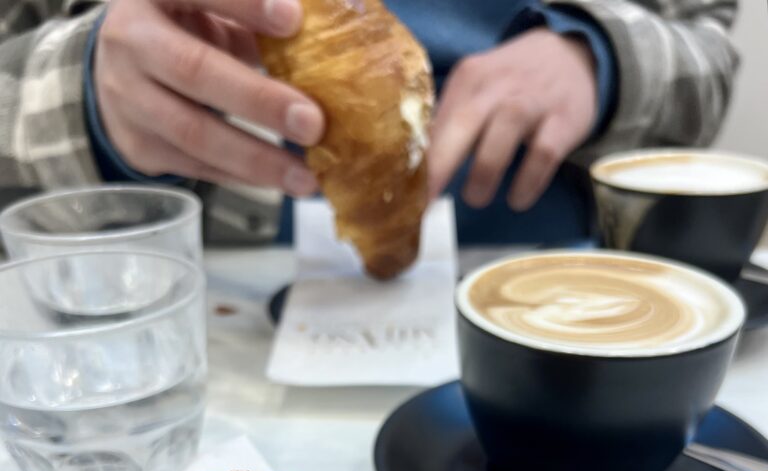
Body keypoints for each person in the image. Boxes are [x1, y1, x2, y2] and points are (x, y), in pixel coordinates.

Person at [0, 0, 740, 246]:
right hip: (190, 312)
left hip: (560, 282)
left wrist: (599, 56)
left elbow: (708, 43)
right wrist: (85, 90)